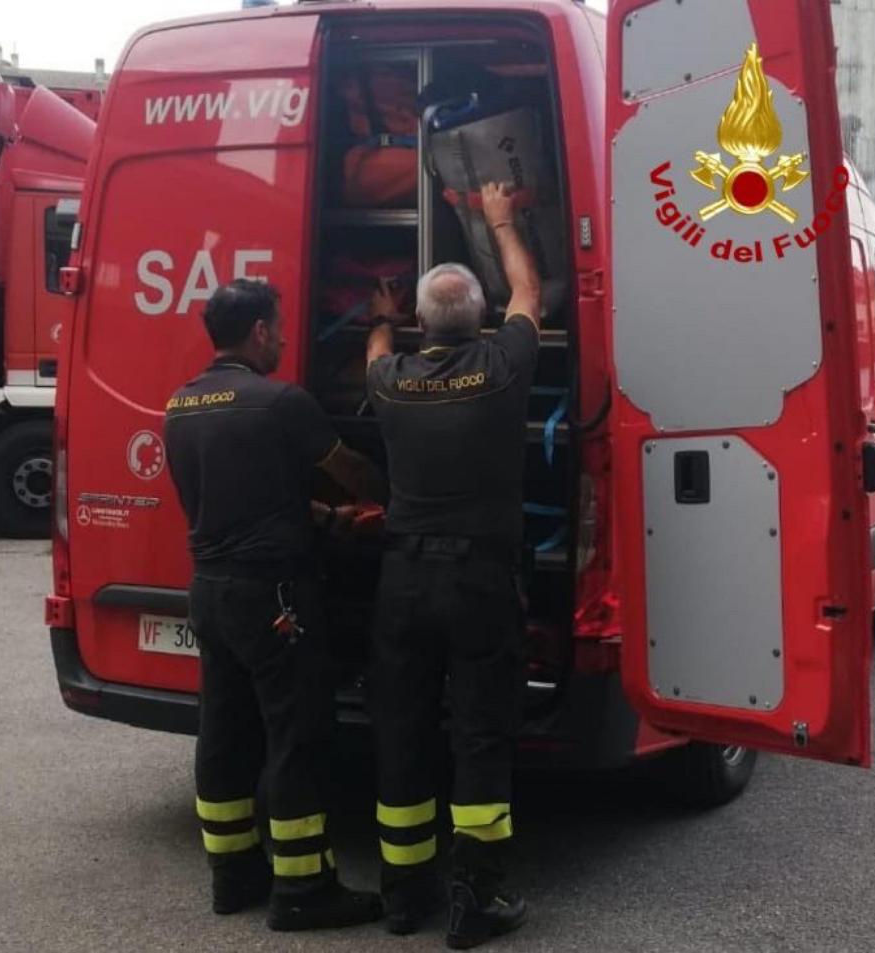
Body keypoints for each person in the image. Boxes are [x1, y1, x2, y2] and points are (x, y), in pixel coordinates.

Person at [163, 278, 386, 933]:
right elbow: (352, 470)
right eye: (280, 327)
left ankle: (233, 876)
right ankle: (303, 886)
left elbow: (241, 501)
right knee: (297, 733)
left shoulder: (181, 405)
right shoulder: (281, 402)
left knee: (225, 730)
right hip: (274, 595)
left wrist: (323, 520)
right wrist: (396, 493)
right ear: (259, 330)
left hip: (210, 589)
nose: (287, 338)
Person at [363, 182, 542, 949]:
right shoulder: (503, 369)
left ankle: (403, 895)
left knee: (402, 728)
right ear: (479, 318)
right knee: (479, 733)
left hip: (401, 581)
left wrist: (380, 314)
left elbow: (372, 350)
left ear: (418, 327)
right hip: (477, 581)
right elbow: (529, 291)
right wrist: (500, 220)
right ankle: (478, 898)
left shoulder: (392, 381)